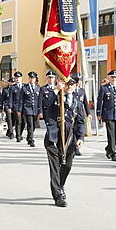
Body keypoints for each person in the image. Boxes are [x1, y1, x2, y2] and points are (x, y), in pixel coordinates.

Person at [40, 74, 86, 207]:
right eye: (67, 84)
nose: (69, 87)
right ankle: (58, 195)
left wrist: (80, 137)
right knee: (55, 167)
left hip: (69, 137)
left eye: (71, 84)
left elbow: (80, 121)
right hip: (54, 136)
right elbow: (45, 104)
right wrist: (56, 89)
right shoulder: (55, 96)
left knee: (67, 165)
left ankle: (60, 186)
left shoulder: (77, 100)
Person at [96, 69, 116, 162]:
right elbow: (100, 101)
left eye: (115, 77)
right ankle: (113, 153)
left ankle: (109, 148)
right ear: (108, 78)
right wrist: (99, 113)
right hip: (108, 114)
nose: (114, 79)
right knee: (111, 134)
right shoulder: (104, 88)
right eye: (112, 77)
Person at [18, 71, 40, 147]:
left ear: (35, 79)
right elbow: (21, 100)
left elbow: (39, 100)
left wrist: (40, 110)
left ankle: (28, 136)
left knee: (33, 125)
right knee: (30, 124)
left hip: (35, 109)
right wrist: (20, 110)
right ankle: (31, 140)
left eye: (33, 78)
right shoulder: (24, 88)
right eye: (30, 78)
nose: (31, 79)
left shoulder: (38, 88)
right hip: (27, 108)